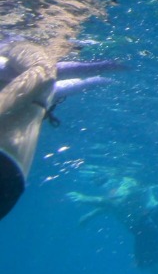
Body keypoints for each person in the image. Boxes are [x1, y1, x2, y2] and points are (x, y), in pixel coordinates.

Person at [1, 39, 123, 220]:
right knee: (46, 75)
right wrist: (12, 44)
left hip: (11, 174)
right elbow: (44, 74)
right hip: (9, 173)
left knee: (51, 82)